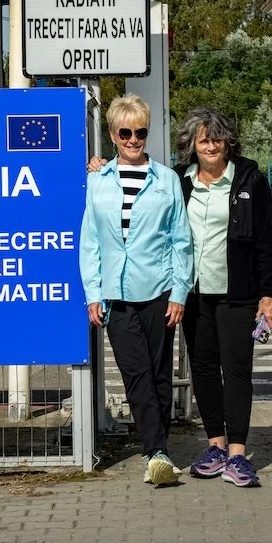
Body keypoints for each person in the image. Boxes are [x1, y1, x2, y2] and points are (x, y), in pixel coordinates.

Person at [79, 95, 194, 487]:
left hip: (159, 290)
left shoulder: (167, 180)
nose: (133, 139)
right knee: (136, 373)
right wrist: (93, 292)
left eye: (140, 132)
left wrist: (179, 292)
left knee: (160, 375)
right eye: (125, 132)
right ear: (113, 134)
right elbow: (90, 241)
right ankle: (155, 451)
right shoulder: (98, 181)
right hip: (116, 293)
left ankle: (157, 449)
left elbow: (181, 241)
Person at [175, 108, 272, 488]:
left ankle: (237, 455)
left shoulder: (250, 179)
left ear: (228, 142)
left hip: (238, 294)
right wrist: (101, 166)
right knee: (202, 370)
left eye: (217, 138)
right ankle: (215, 447)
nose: (210, 145)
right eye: (203, 139)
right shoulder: (179, 181)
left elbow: (268, 241)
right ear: (192, 143)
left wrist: (269, 294)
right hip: (193, 294)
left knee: (236, 371)